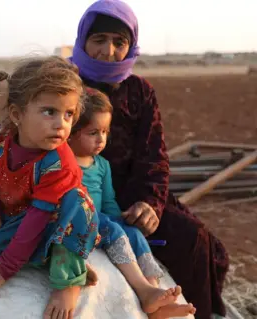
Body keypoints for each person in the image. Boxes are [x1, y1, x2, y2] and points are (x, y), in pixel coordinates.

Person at [0, 56, 184, 319]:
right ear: (16, 114)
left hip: (65, 223)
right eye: (50, 111)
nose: (62, 124)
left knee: (78, 202)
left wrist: (5, 270)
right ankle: (57, 261)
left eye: (69, 114)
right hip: (23, 219)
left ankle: (71, 281)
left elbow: (38, 219)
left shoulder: (58, 162)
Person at [70, 1, 229, 318]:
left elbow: (154, 156)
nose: (108, 50)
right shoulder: (65, 85)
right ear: (83, 40)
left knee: (193, 241)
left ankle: (197, 312)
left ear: (131, 46)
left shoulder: (139, 90)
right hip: (74, 191)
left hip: (131, 199)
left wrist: (149, 204)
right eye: (99, 39)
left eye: (119, 42)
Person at [69, 92, 196, 319]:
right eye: (93, 132)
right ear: (71, 133)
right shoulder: (65, 162)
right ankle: (143, 290)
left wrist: (122, 219)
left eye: (105, 132)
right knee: (112, 227)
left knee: (134, 234)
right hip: (80, 218)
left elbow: (108, 201)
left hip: (103, 219)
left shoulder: (102, 165)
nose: (101, 139)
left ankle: (155, 291)